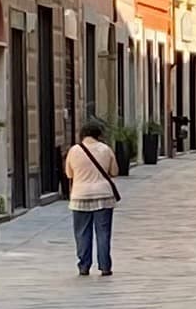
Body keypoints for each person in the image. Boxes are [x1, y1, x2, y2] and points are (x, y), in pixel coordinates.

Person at [64, 116, 120, 278]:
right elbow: (115, 171)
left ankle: (84, 266)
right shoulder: (106, 149)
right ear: (99, 134)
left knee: (82, 233)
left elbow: (69, 174)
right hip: (103, 196)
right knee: (103, 233)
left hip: (80, 196)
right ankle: (105, 266)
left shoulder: (74, 151)